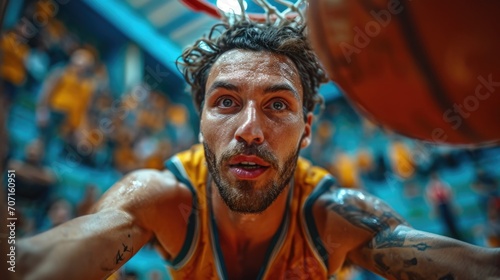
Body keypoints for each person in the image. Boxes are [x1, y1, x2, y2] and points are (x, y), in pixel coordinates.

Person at [17, 18, 500, 280]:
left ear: (307, 129)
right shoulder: (159, 199)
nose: (250, 129)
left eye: (277, 105)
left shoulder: (336, 217)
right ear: (200, 121)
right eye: (226, 102)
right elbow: (27, 268)